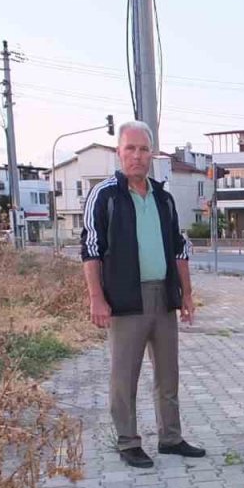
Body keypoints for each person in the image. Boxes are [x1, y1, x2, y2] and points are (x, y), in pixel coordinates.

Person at [80, 121, 205, 468]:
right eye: (130, 149)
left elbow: (179, 249)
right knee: (124, 377)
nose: (137, 156)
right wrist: (96, 298)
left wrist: (186, 295)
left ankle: (171, 437)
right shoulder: (105, 196)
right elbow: (90, 250)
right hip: (125, 300)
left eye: (143, 149)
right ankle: (128, 441)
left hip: (163, 297)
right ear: (119, 152)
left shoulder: (163, 198)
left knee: (168, 374)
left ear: (152, 153)